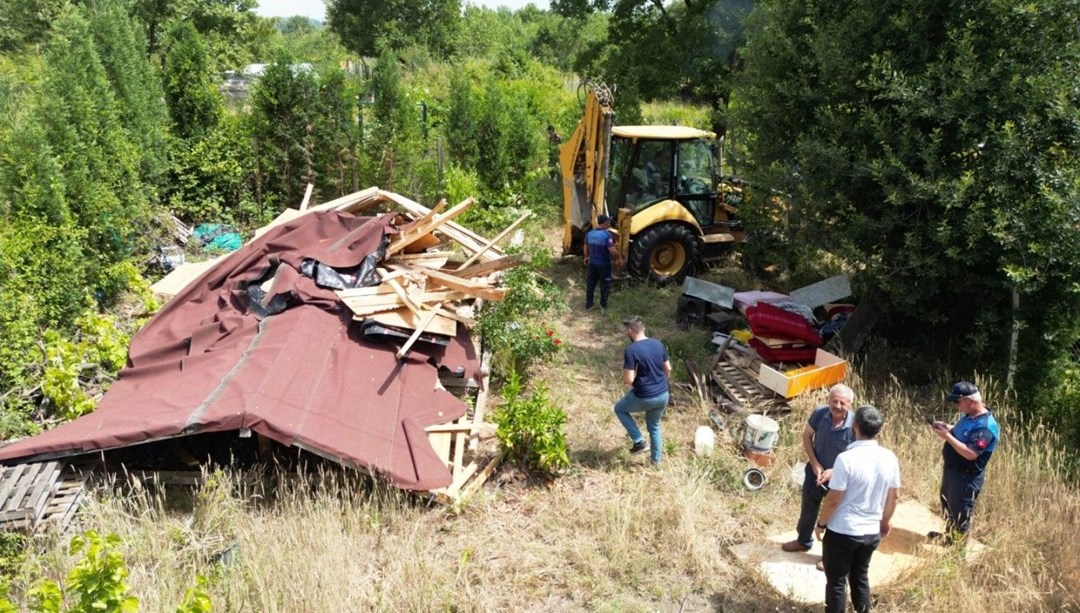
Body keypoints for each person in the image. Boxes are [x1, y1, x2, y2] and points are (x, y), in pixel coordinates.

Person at [815, 405, 901, 613]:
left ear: (854, 425)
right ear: (878, 429)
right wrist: (885, 521)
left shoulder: (846, 459)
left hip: (843, 531)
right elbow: (894, 495)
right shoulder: (890, 457)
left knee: (836, 582)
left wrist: (821, 524)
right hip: (871, 532)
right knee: (860, 577)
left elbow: (833, 500)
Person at [781, 384, 857, 554]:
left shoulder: (856, 425)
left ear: (850, 404)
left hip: (840, 478)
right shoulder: (819, 413)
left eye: (842, 403)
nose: (837, 406)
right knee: (808, 507)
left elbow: (858, 456)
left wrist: (835, 472)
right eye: (834, 401)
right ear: (828, 400)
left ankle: (829, 555)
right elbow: (807, 435)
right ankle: (803, 541)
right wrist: (814, 463)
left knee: (834, 515)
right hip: (815, 472)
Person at [930, 381, 1000, 543]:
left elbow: (971, 453)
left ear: (971, 401)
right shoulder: (970, 416)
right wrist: (946, 427)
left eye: (958, 402)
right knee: (948, 505)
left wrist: (946, 436)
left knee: (960, 513)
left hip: (966, 478)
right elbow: (964, 432)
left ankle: (958, 552)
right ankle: (949, 537)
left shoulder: (985, 427)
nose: (956, 405)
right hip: (952, 472)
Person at [614, 315, 672, 465]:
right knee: (654, 426)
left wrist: (633, 386)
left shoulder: (631, 350)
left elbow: (629, 379)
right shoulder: (658, 344)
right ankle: (656, 462)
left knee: (620, 409)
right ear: (643, 329)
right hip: (663, 394)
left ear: (630, 330)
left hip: (645, 395)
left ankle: (639, 441)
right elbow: (668, 369)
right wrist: (660, 383)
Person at [583, 215, 621, 310]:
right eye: (608, 222)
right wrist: (619, 258)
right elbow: (612, 250)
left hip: (592, 263)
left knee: (591, 284)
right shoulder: (607, 235)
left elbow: (586, 247)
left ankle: (589, 304)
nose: (609, 224)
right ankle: (603, 306)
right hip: (604, 264)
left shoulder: (590, 234)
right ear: (605, 223)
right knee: (605, 284)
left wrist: (586, 257)